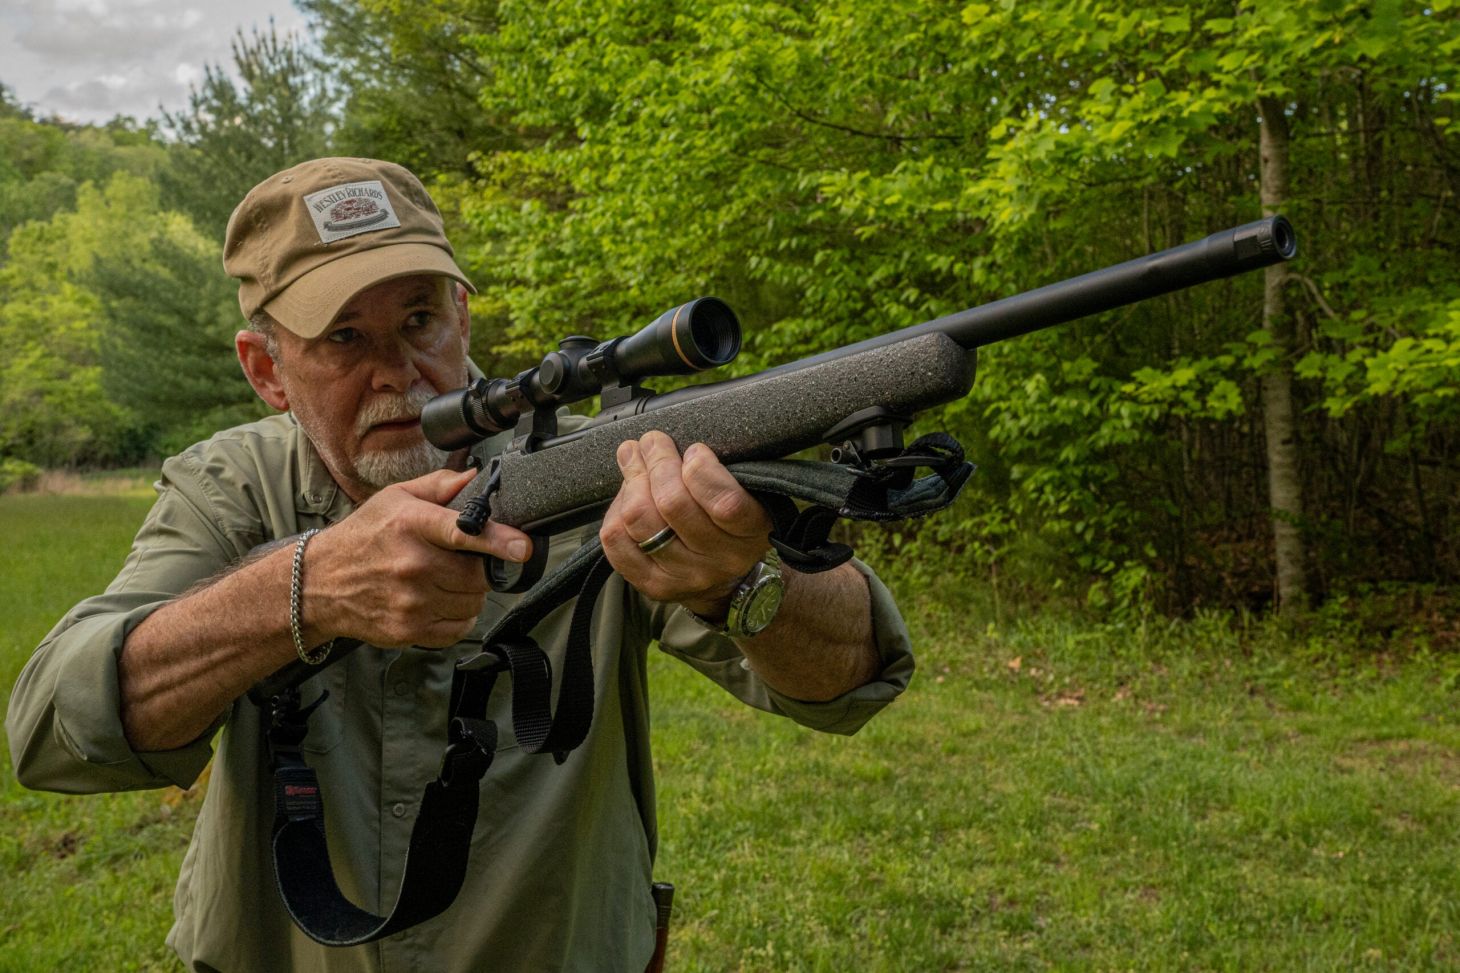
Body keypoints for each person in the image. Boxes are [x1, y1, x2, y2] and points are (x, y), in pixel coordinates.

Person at [5, 157, 914, 972]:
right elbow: (52, 730)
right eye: (345, 339)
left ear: (463, 312)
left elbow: (853, 677)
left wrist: (739, 580)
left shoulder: (596, 468)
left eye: (418, 318)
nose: (400, 371)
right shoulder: (232, 485)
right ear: (267, 370)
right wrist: (307, 589)